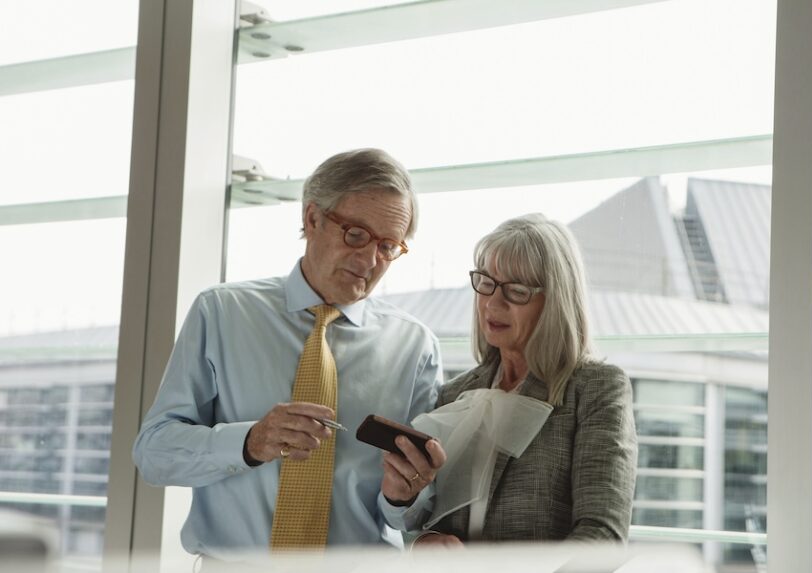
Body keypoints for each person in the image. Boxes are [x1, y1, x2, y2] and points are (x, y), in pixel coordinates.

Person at [133, 148, 446, 560]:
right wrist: (250, 442)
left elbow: (412, 519)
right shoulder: (222, 313)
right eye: (356, 234)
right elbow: (153, 454)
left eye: (388, 246)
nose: (369, 260)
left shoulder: (415, 347)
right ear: (312, 218)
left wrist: (403, 498)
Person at [388, 213, 637, 546]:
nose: (493, 302)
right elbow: (430, 518)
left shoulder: (596, 389)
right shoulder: (455, 394)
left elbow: (602, 536)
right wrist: (425, 538)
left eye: (516, 291)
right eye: (486, 283)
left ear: (555, 301)